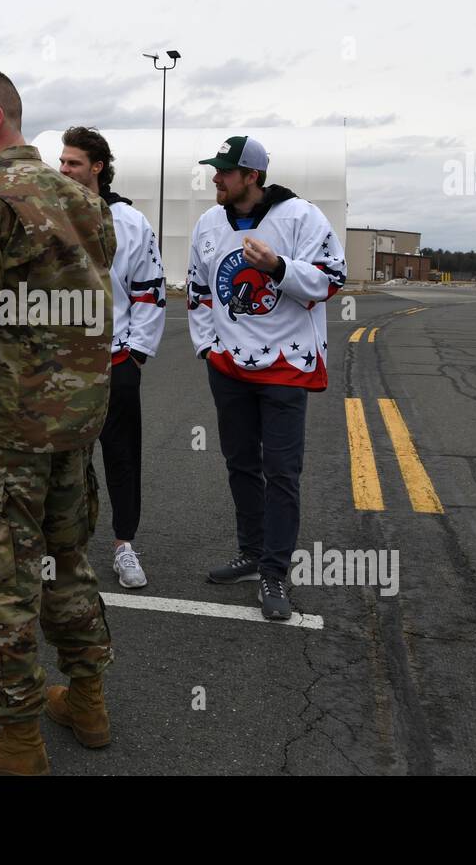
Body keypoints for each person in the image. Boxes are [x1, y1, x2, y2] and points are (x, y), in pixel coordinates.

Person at [0, 69, 115, 776]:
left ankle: (17, 740)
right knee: (67, 565)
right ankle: (88, 702)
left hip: (4, 435)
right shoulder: (82, 199)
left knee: (6, 585)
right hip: (71, 429)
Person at [186, 135, 346, 620]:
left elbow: (332, 278)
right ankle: (252, 553)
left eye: (225, 171)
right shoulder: (210, 224)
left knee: (281, 472)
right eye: (215, 170)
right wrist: (207, 346)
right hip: (228, 366)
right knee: (240, 465)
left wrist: (277, 266)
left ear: (251, 176)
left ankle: (275, 573)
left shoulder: (301, 217)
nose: (215, 177)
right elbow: (198, 289)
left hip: (285, 366)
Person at [58, 126, 165, 588]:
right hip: (61, 367)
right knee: (63, 464)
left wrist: (136, 354)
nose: (63, 170)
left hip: (115, 363)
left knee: (120, 458)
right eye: (61, 163)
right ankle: (64, 552)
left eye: (73, 163)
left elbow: (149, 292)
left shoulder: (131, 222)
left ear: (97, 168)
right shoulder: (49, 216)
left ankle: (124, 546)